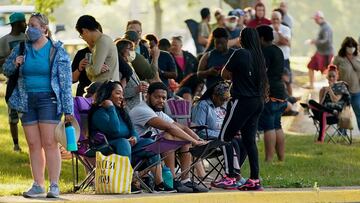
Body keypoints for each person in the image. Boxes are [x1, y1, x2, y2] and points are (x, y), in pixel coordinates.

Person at [3, 13, 73, 198]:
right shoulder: (21, 48)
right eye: (28, 25)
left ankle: (55, 185)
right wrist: (15, 63)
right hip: (27, 100)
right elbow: (6, 70)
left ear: (44, 28)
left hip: (48, 100)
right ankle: (38, 185)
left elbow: (65, 82)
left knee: (50, 143)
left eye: (34, 25)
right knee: (34, 144)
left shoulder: (56, 50)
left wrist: (68, 110)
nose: (29, 29)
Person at [88, 81, 175, 192]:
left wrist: (134, 137)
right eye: (118, 93)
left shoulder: (121, 111)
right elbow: (114, 131)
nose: (121, 97)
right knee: (123, 142)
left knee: (150, 143)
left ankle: (160, 184)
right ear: (107, 95)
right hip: (106, 149)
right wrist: (110, 108)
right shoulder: (99, 113)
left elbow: (132, 130)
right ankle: (127, 181)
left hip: (125, 149)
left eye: (122, 94)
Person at [129, 82, 207, 193]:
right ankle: (172, 179)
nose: (161, 100)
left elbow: (181, 127)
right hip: (137, 149)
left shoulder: (156, 111)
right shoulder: (142, 110)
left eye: (164, 98)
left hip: (150, 148)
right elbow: (169, 128)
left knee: (184, 139)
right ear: (147, 96)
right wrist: (194, 141)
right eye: (157, 97)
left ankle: (185, 180)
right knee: (168, 135)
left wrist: (199, 140)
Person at [219, 27, 268, 191]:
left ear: (243, 39)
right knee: (249, 140)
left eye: (240, 36)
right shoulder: (260, 57)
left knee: (224, 137)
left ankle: (229, 177)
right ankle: (254, 179)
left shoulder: (240, 53)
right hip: (257, 102)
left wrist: (235, 76)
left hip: (242, 100)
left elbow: (224, 74)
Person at [257, 25, 288, 162]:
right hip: (281, 91)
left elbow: (263, 72)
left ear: (262, 38)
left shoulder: (265, 52)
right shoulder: (278, 50)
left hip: (270, 92)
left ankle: (269, 159)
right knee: (277, 125)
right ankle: (281, 158)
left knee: (269, 126)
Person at [0, 12, 27, 152]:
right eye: (23, 22)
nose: (26, 24)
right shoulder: (4, 41)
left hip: (27, 83)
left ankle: (32, 143)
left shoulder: (28, 38)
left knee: (27, 117)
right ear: (16, 24)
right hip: (12, 83)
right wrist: (10, 57)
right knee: (13, 117)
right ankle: (16, 144)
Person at [308, 65, 350, 142]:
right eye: (329, 76)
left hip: (336, 115)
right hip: (324, 112)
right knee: (310, 102)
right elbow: (320, 105)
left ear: (337, 76)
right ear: (327, 77)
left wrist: (330, 90)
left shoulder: (341, 86)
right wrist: (325, 94)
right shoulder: (323, 89)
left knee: (323, 112)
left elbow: (336, 100)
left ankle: (320, 139)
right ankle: (329, 111)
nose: (331, 78)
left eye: (333, 76)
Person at [75, 15, 119, 82]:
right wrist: (93, 68)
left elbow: (95, 70)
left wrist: (87, 66)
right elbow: (93, 74)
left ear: (84, 31)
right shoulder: (100, 41)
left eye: (81, 35)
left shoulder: (102, 42)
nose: (83, 38)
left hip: (106, 88)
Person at [333, 37, 360, 130]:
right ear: (345, 47)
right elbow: (332, 70)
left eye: (353, 46)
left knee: (359, 112)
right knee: (342, 114)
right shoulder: (339, 58)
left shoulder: (358, 57)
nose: (351, 48)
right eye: (349, 46)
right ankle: (342, 135)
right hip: (343, 91)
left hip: (357, 90)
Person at [115, 38, 148, 110]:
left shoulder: (129, 65)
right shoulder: (119, 69)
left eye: (133, 49)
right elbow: (117, 92)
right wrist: (136, 89)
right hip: (128, 108)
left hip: (137, 107)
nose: (132, 51)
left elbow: (132, 83)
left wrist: (141, 83)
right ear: (121, 50)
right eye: (130, 49)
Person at [72, 24, 103, 96]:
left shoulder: (107, 53)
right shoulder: (81, 53)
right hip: (84, 94)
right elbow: (73, 79)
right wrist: (80, 68)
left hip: (101, 93)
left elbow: (126, 72)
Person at [306, 11, 333, 89]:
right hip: (321, 52)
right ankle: (311, 85)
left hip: (326, 53)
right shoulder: (322, 26)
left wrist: (315, 41)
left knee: (328, 70)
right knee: (311, 66)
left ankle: (332, 86)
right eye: (315, 19)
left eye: (316, 19)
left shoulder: (326, 27)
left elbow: (326, 40)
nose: (315, 21)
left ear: (321, 18)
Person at [270, 11, 292, 96]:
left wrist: (278, 32)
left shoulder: (286, 29)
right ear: (271, 19)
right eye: (273, 19)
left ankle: (291, 99)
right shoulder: (268, 29)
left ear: (281, 19)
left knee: (287, 81)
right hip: (272, 60)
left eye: (277, 19)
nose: (275, 21)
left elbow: (286, 42)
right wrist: (279, 42)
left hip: (284, 59)